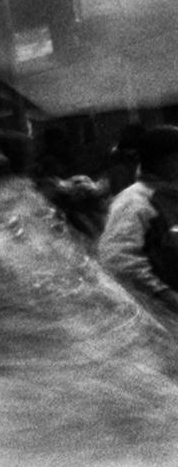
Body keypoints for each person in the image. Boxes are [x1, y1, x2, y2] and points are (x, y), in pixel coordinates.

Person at [96, 125, 178, 326]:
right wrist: (166, 297)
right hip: (160, 322)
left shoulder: (170, 195)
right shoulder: (134, 202)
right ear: (169, 160)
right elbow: (118, 262)